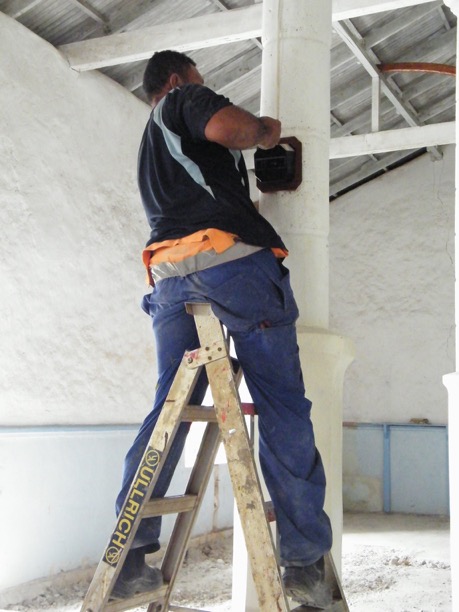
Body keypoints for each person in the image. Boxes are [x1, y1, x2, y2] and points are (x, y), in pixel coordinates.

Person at [113, 50, 333, 608]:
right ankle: (304, 562)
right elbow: (229, 126)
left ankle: (129, 558)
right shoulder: (181, 101)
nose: (203, 87)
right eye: (199, 81)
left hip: (170, 280)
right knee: (282, 405)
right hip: (230, 266)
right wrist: (264, 132)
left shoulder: (152, 147)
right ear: (176, 80)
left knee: (169, 408)